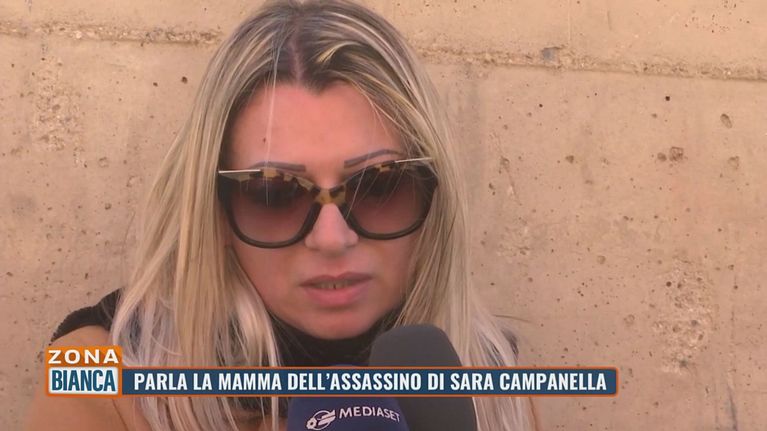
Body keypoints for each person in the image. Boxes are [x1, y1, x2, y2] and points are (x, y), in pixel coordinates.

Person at [25, 1, 537, 430]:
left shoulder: (491, 383)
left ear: (434, 198)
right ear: (214, 212)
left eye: (380, 185)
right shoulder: (104, 380)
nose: (332, 237)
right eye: (272, 194)